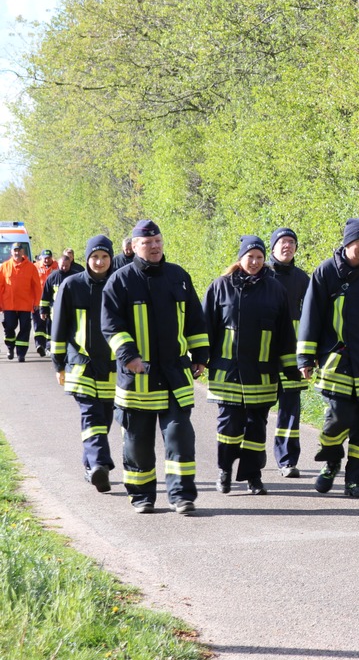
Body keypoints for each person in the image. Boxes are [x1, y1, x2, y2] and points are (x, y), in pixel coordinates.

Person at [100, 220, 209, 515]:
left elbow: (196, 320)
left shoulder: (179, 277)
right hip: (138, 379)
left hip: (175, 376)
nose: (155, 246)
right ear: (134, 246)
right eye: (148, 243)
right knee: (138, 444)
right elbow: (111, 326)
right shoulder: (120, 281)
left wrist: (200, 355)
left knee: (180, 439)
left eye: (158, 241)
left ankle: (181, 496)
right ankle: (142, 496)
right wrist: (129, 356)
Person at [297, 218, 359, 498]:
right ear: (347, 243)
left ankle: (358, 481)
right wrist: (305, 358)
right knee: (338, 418)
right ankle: (331, 458)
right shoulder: (325, 273)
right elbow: (311, 317)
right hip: (336, 362)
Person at [203, 235, 298, 496]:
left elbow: (284, 333)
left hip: (262, 373)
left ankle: (253, 477)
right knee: (229, 427)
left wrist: (291, 366)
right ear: (240, 258)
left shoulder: (276, 289)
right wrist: (200, 358)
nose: (254, 262)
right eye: (250, 257)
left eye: (259, 257)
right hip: (228, 373)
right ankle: (224, 471)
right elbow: (205, 326)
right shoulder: (220, 286)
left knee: (256, 428)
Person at [51, 235, 118, 492]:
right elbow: (59, 329)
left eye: (104, 257)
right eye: (94, 257)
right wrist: (58, 365)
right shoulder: (71, 285)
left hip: (112, 367)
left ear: (111, 258)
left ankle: (90, 467)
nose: (99, 262)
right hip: (80, 364)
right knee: (91, 415)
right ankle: (100, 464)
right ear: (87, 259)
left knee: (105, 418)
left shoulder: (120, 284)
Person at [266, 227, 309, 477]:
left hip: (292, 357)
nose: (287, 246)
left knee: (290, 409)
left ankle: (287, 460)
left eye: (292, 242)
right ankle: (252, 456)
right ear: (272, 247)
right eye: (282, 242)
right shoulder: (261, 275)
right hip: (265, 355)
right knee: (257, 409)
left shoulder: (303, 280)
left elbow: (311, 319)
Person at [1, 244, 43, 362]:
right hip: (9, 304)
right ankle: (10, 347)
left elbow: (37, 286)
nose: (17, 253)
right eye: (15, 250)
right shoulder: (5, 266)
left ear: (22, 252)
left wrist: (37, 301)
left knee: (25, 328)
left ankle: (21, 353)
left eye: (19, 250)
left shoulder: (31, 267)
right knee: (9, 327)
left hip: (25, 304)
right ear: (11, 252)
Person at [38, 248, 82, 357]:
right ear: (58, 264)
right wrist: (43, 310)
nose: (64, 268)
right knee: (54, 330)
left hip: (72, 310)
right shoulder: (52, 277)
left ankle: (70, 349)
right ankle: (52, 349)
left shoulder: (75, 277)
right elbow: (46, 295)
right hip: (56, 311)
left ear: (70, 264)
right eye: (61, 266)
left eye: (66, 266)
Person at [32, 249, 57, 355]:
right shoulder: (35, 267)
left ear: (52, 257)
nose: (46, 260)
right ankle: (39, 344)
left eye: (48, 258)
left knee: (49, 324)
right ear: (41, 258)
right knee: (38, 324)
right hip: (38, 300)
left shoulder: (57, 267)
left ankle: (48, 345)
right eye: (44, 258)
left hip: (51, 300)